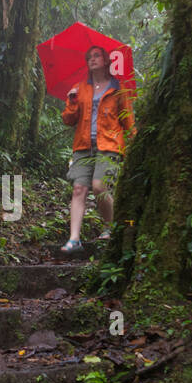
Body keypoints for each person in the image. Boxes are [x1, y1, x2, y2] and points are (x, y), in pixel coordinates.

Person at [60, 44, 135, 253]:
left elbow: (128, 121)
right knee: (79, 189)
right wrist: (72, 101)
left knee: (99, 187)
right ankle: (74, 239)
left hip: (109, 145)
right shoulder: (80, 88)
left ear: (106, 61)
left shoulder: (118, 89)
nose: (92, 59)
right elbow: (68, 120)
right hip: (83, 146)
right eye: (89, 57)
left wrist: (134, 146)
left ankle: (111, 227)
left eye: (97, 56)